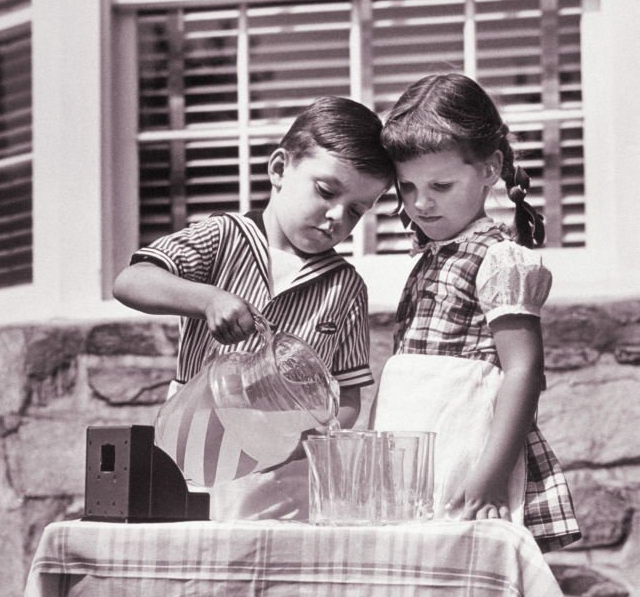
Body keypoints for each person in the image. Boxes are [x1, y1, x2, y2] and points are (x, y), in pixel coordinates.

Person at [113, 96, 393, 520]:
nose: (337, 216)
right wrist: (208, 299)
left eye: (357, 210)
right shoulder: (223, 236)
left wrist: (301, 438)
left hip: (283, 480)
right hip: (193, 446)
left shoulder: (346, 287)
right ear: (279, 169)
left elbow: (348, 395)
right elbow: (130, 282)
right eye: (326, 191)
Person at [373, 72, 580, 551]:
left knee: (464, 574)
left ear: (490, 169)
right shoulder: (429, 255)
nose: (421, 203)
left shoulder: (499, 257)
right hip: (413, 448)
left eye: (441, 185)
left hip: (462, 448)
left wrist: (489, 475)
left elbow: (523, 371)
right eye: (407, 188)